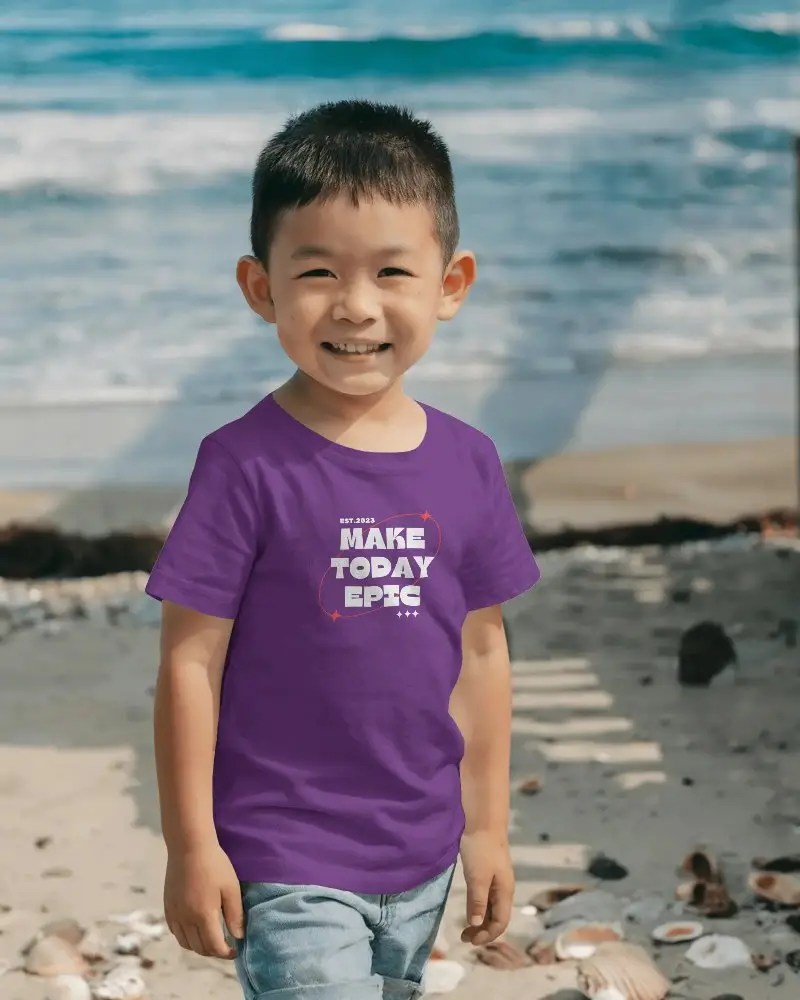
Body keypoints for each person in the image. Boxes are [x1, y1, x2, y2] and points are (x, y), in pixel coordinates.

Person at [147, 99, 541, 1000]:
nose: (356, 306)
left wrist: (486, 828)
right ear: (261, 289)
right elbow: (189, 664)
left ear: (450, 283)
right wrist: (191, 845)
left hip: (421, 850)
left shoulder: (469, 462)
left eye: (393, 271)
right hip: (283, 851)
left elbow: (483, 655)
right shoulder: (242, 465)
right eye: (318, 271)